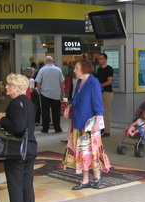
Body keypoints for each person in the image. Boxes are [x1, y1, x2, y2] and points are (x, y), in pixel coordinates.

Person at [0, 73, 37, 202]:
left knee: (15, 185)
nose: (6, 87)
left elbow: (18, 127)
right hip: (31, 148)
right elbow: (24, 122)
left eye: (10, 85)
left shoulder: (14, 103)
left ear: (18, 88)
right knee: (27, 184)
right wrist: (7, 116)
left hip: (17, 151)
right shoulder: (27, 102)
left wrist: (2, 120)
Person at [62, 59, 111, 190]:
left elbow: (98, 104)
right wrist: (69, 106)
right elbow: (77, 97)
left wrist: (97, 123)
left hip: (89, 124)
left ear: (84, 68)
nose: (74, 70)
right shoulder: (79, 82)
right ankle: (85, 180)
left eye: (76, 68)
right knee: (82, 153)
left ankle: (97, 176)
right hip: (79, 121)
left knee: (92, 151)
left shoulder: (93, 83)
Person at [35, 55, 65, 133]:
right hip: (56, 94)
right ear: (52, 61)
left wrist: (39, 90)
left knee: (45, 111)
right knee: (56, 112)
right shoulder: (58, 70)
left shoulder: (42, 70)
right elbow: (62, 82)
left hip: (45, 93)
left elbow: (38, 82)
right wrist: (62, 92)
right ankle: (57, 128)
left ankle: (45, 128)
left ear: (45, 61)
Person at [95, 53, 113, 137]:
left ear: (105, 59)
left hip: (107, 92)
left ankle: (107, 130)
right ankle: (101, 128)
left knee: (106, 111)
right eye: (98, 59)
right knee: (100, 112)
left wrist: (99, 86)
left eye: (101, 58)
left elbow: (109, 81)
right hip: (99, 92)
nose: (99, 60)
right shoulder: (99, 69)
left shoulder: (109, 69)